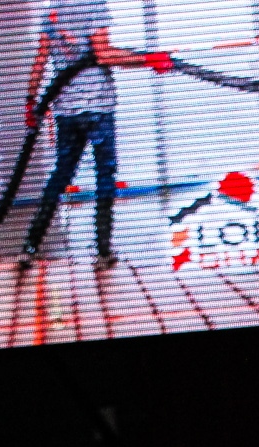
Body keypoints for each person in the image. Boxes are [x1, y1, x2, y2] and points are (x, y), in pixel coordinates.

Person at [19, 0, 173, 268]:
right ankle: (103, 252)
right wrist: (148, 59)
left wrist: (31, 101)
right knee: (104, 177)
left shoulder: (51, 12)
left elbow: (41, 59)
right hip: (98, 109)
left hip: (66, 111)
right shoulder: (93, 5)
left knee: (60, 177)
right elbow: (103, 54)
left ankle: (29, 248)